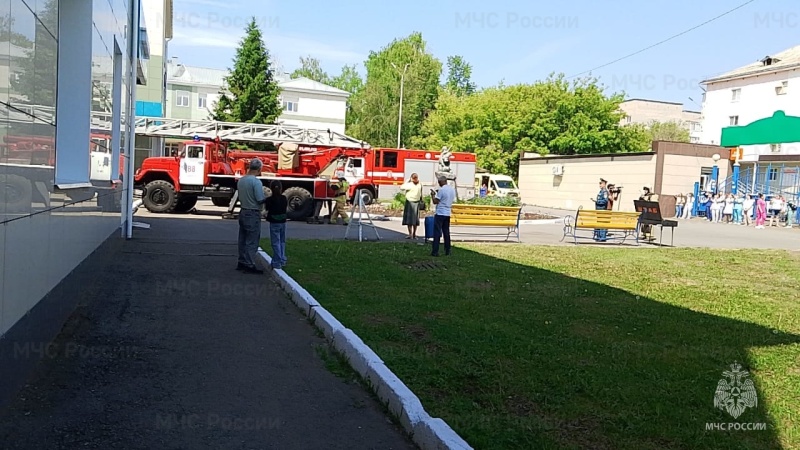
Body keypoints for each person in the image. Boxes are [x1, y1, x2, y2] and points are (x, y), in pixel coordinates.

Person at [236, 159, 267, 274]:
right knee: (252, 239)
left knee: (243, 238)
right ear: (259, 169)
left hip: (243, 210)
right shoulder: (256, 182)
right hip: (253, 212)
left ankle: (242, 261)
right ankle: (249, 264)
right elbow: (259, 199)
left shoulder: (241, 180)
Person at [264, 180, 288, 270]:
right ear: (281, 188)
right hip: (282, 221)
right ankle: (282, 259)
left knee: (275, 242)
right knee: (282, 241)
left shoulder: (269, 200)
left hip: (274, 222)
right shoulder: (284, 198)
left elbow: (267, 209)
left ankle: (277, 261)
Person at [431, 175, 455, 257]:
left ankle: (435, 251)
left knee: (437, 232)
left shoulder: (441, 190)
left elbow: (435, 201)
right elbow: (447, 198)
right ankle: (447, 250)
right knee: (446, 232)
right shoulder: (452, 189)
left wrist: (433, 195)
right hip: (447, 213)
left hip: (440, 213)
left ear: (440, 182)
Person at [400, 173, 423, 239]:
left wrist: (407, 181)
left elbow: (401, 187)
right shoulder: (420, 184)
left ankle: (410, 234)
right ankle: (414, 234)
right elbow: (421, 193)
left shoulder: (409, 185)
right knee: (415, 220)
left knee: (409, 219)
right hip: (417, 203)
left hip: (409, 203)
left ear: (411, 178)